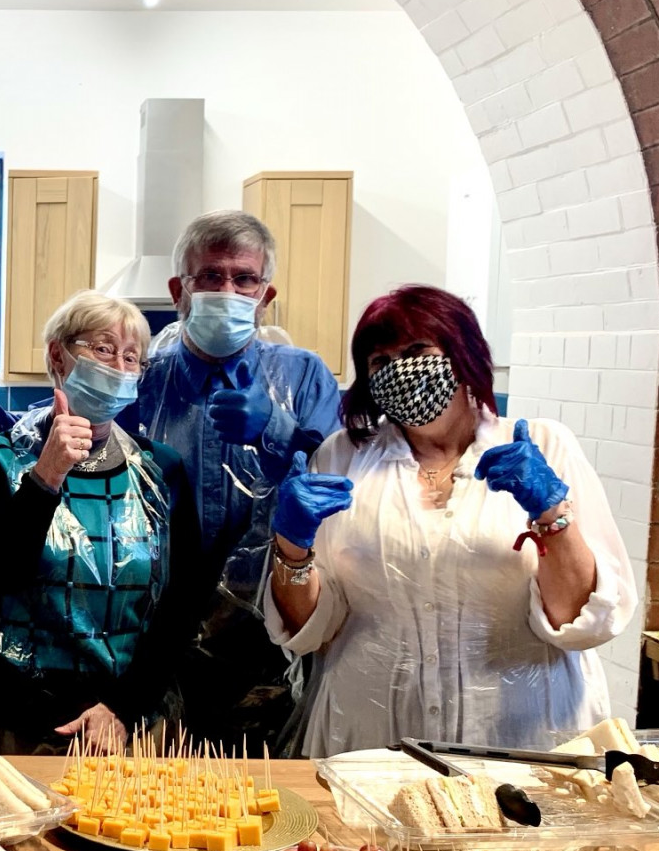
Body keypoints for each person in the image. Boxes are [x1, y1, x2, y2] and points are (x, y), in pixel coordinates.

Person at [264, 285, 638, 756]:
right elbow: (313, 629)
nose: (401, 370)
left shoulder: (544, 446)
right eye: (380, 361)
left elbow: (577, 620)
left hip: (523, 735)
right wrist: (291, 545)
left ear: (463, 354)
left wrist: (551, 514)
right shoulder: (342, 457)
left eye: (417, 351)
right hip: (373, 741)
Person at [0, 290, 202, 754]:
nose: (118, 367)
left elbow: (182, 605)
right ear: (57, 355)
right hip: (15, 719)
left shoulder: (160, 469)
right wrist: (45, 477)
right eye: (103, 349)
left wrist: (123, 707)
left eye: (131, 357)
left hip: (126, 720)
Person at [130, 211, 342, 752]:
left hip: (270, 644)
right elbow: (83, 447)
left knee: (260, 791)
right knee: (149, 792)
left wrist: (275, 431)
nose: (227, 290)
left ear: (265, 295)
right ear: (179, 291)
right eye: (210, 276)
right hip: (152, 641)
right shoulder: (144, 380)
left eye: (244, 278)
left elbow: (337, 492)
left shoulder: (303, 376)